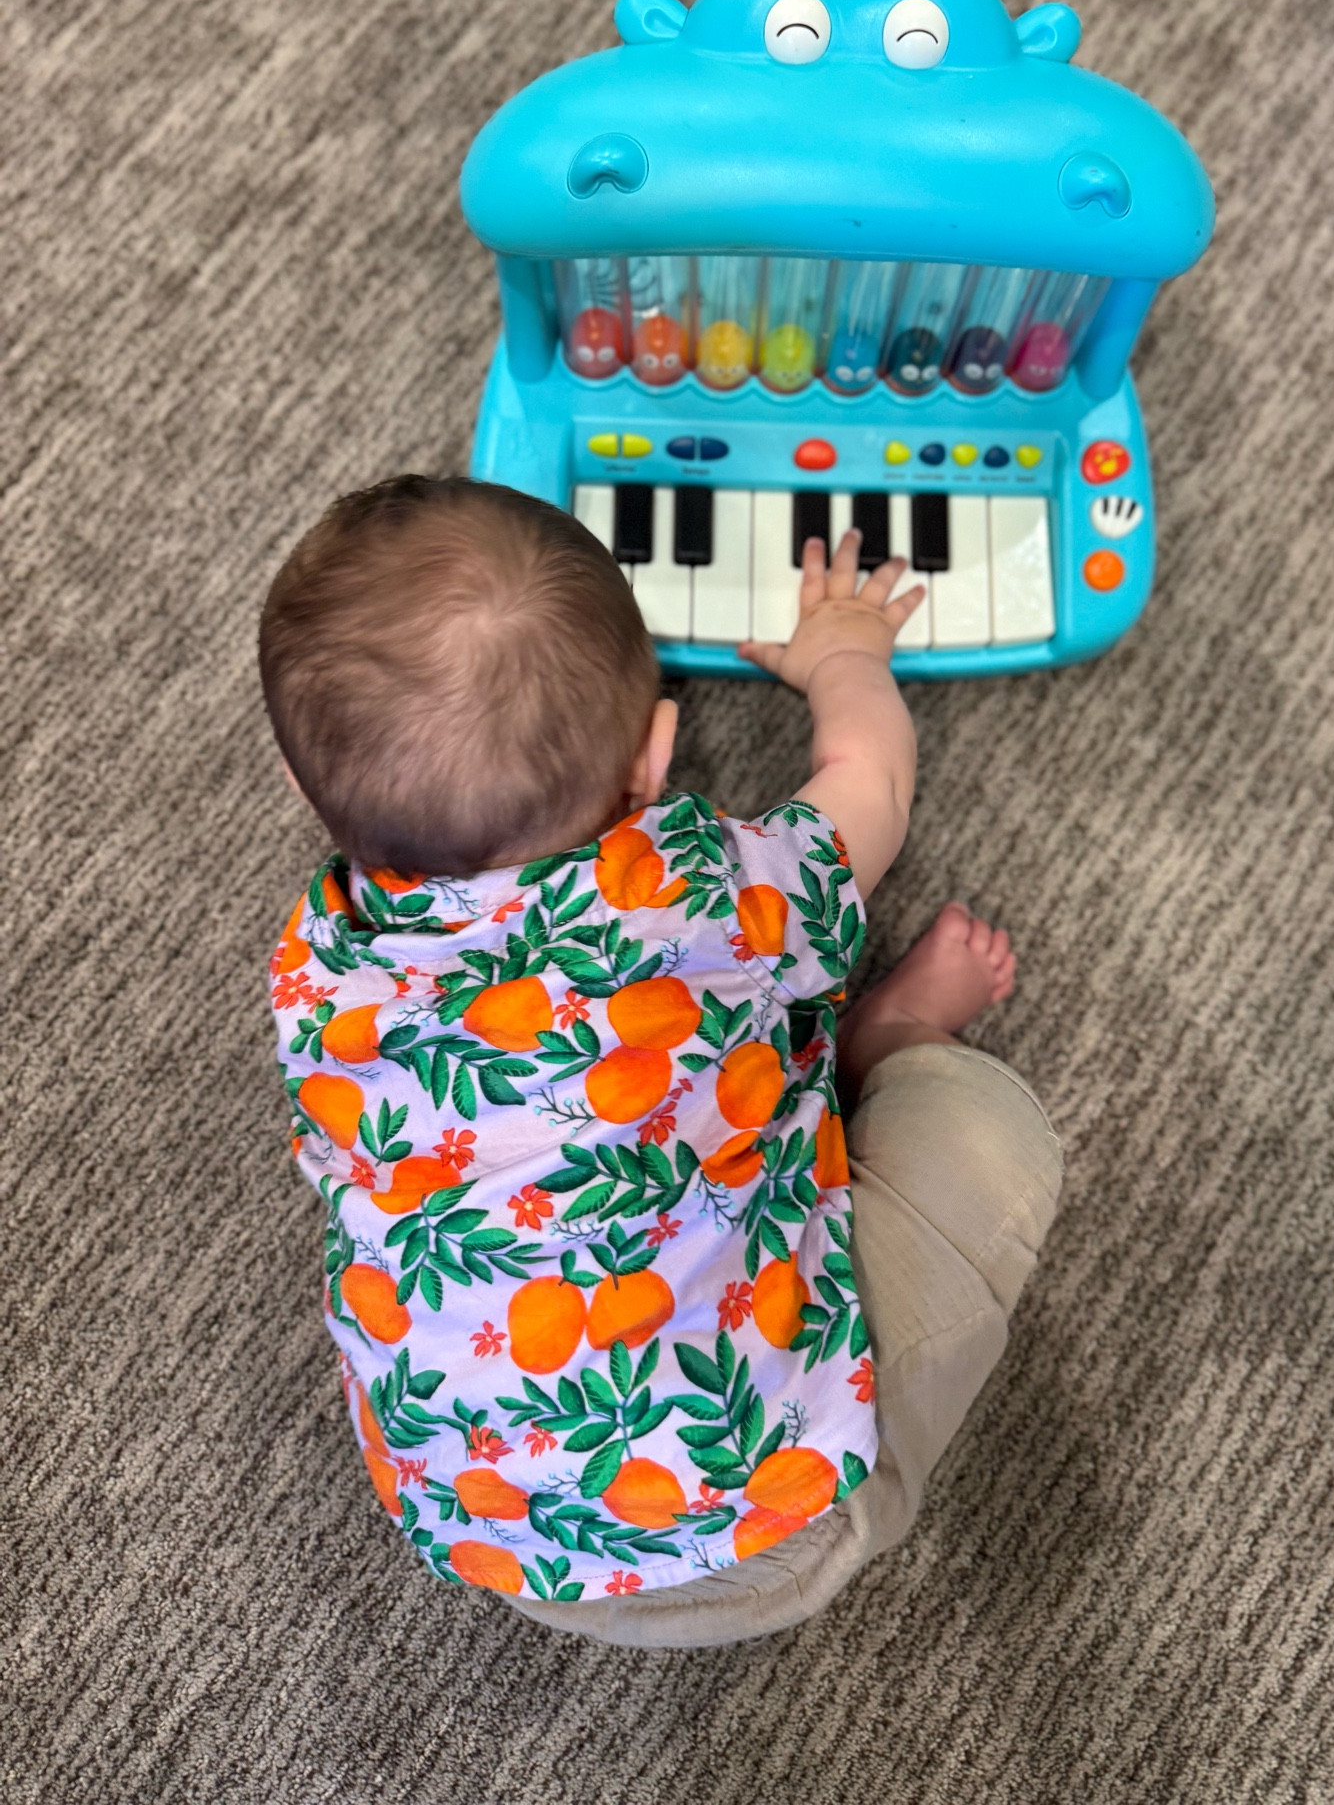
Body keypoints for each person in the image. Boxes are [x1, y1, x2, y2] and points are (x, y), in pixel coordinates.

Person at [260, 474, 1061, 1647]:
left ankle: (813, 1060)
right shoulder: (702, 892)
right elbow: (870, 786)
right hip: (789, 1514)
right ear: (657, 755)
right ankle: (887, 1039)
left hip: (500, 1542)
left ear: (298, 784)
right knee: (992, 1138)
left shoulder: (317, 973)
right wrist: (843, 657)